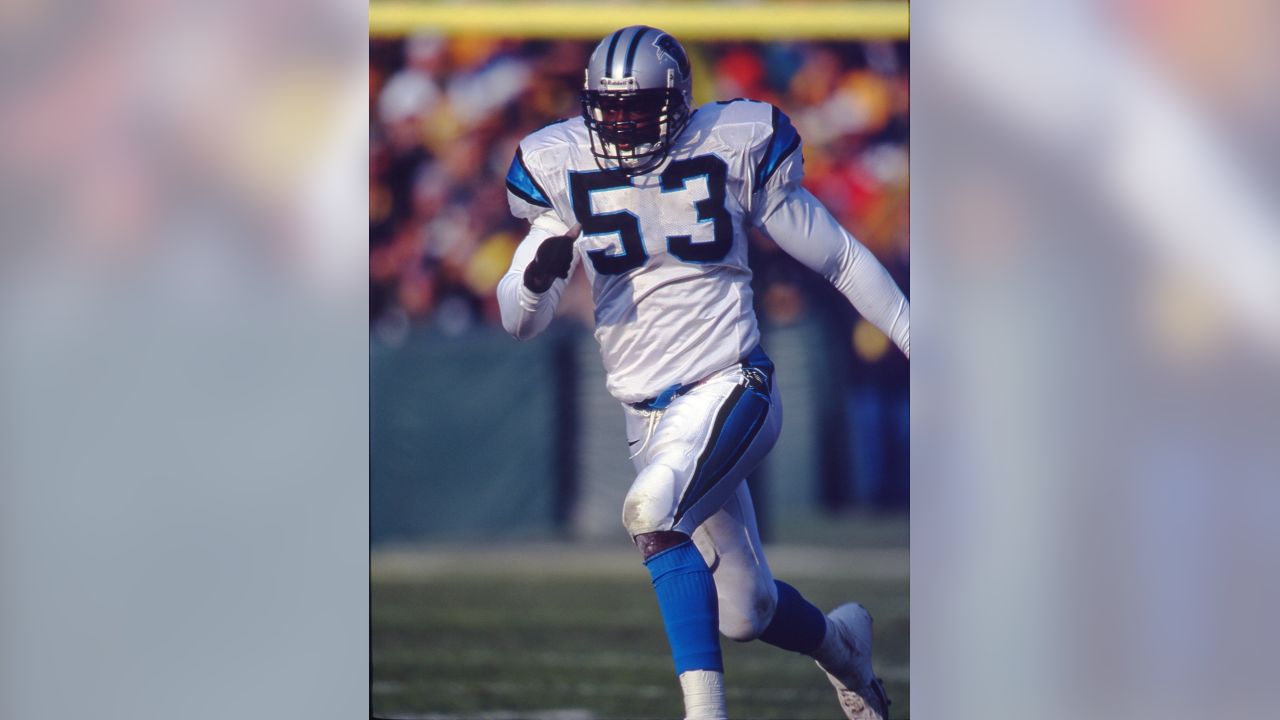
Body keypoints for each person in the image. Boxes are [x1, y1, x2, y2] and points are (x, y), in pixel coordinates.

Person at [497, 25, 908, 720]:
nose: (623, 122)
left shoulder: (732, 142)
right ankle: (842, 645)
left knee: (652, 512)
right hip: (645, 410)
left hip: (732, 379)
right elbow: (519, 319)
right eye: (611, 107)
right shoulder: (558, 161)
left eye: (639, 106)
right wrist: (536, 279)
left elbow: (836, 257)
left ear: (679, 100)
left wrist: (910, 334)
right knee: (747, 610)